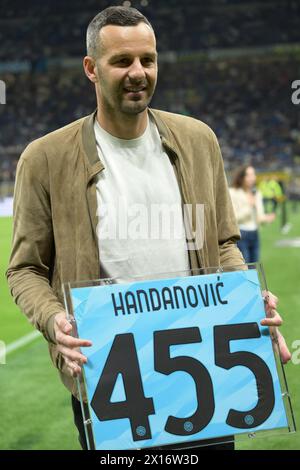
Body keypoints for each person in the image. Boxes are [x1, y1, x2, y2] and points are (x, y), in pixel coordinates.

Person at [6, 6, 291, 451]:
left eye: (148, 59)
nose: (138, 72)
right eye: (122, 61)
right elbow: (24, 270)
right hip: (113, 384)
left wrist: (245, 296)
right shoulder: (45, 159)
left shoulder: (198, 141)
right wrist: (53, 319)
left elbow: (221, 244)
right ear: (91, 69)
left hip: (205, 378)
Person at [230, 165, 275, 263]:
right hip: (241, 234)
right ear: (241, 177)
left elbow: (259, 217)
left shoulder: (256, 193)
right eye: (248, 175)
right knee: (244, 267)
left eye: (253, 174)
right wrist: (249, 207)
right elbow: (233, 218)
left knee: (254, 267)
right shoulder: (233, 193)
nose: (252, 177)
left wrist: (266, 218)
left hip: (255, 234)